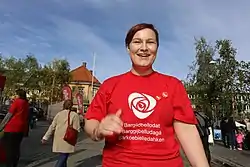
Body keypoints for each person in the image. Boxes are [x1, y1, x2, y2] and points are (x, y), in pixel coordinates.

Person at [84, 23, 209, 167]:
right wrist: (98, 130)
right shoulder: (110, 85)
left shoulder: (173, 85)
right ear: (128, 48)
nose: (144, 48)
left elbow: (187, 132)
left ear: (157, 48)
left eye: (150, 42)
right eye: (137, 42)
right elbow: (91, 121)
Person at [41, 100, 81, 167]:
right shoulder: (74, 115)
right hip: (68, 138)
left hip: (58, 138)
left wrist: (45, 137)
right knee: (63, 156)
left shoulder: (59, 114)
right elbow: (77, 129)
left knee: (63, 156)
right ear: (71, 106)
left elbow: (52, 126)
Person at [0, 89, 29, 167]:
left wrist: (1, 126)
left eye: (15, 94)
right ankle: (14, 164)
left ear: (18, 95)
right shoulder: (26, 103)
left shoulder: (17, 102)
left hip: (11, 128)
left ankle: (10, 164)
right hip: (21, 129)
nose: (14, 96)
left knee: (8, 148)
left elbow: (9, 115)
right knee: (16, 147)